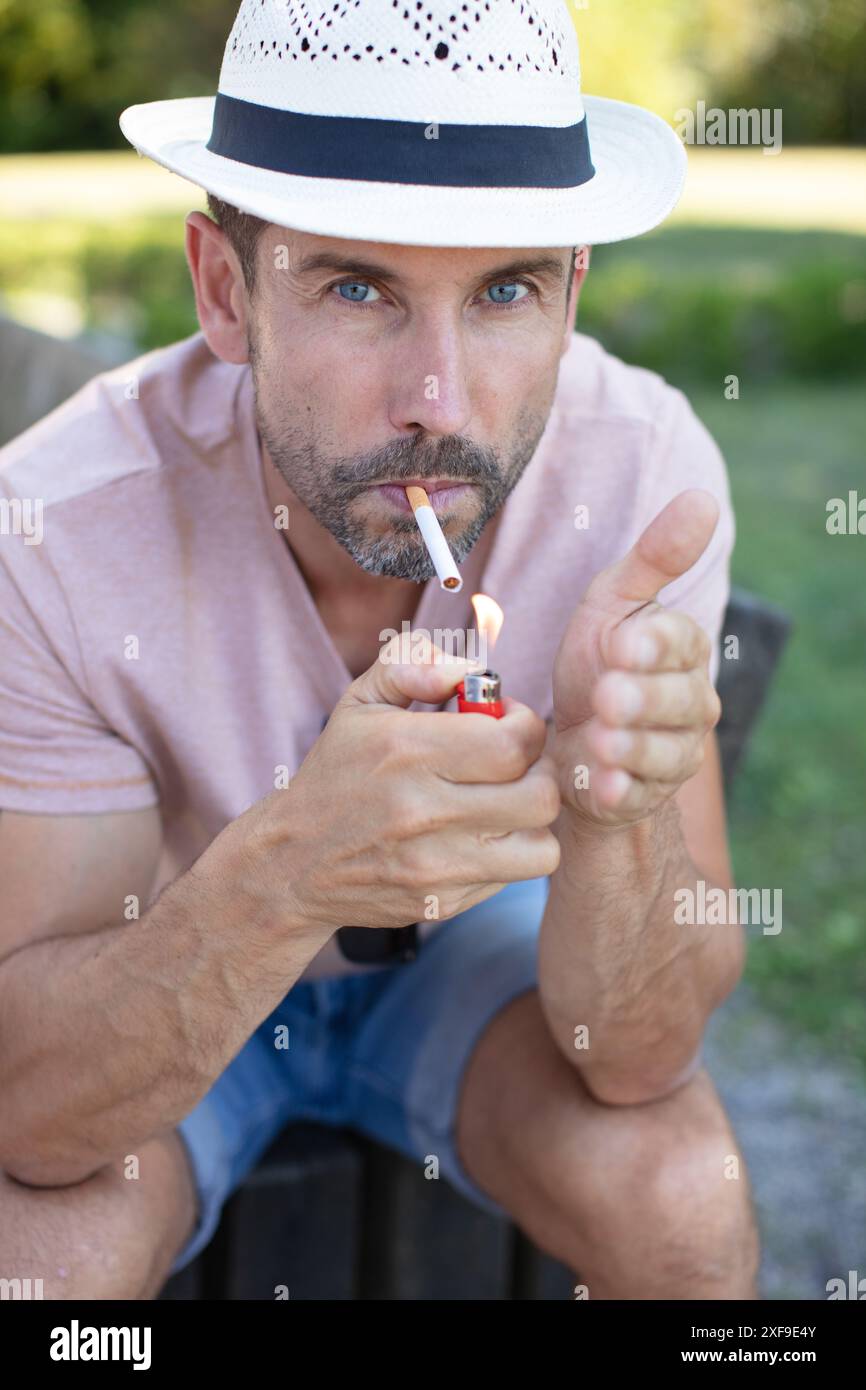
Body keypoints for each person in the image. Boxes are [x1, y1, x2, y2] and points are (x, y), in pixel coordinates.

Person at [0, 0, 758, 1299]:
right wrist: (289, 872)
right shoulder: (56, 530)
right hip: (169, 958)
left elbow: (637, 1059)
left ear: (571, 290)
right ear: (227, 291)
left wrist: (614, 814)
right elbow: (32, 1110)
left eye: (504, 291)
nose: (439, 403)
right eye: (357, 287)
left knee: (684, 1202)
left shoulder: (642, 476)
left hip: (478, 968)